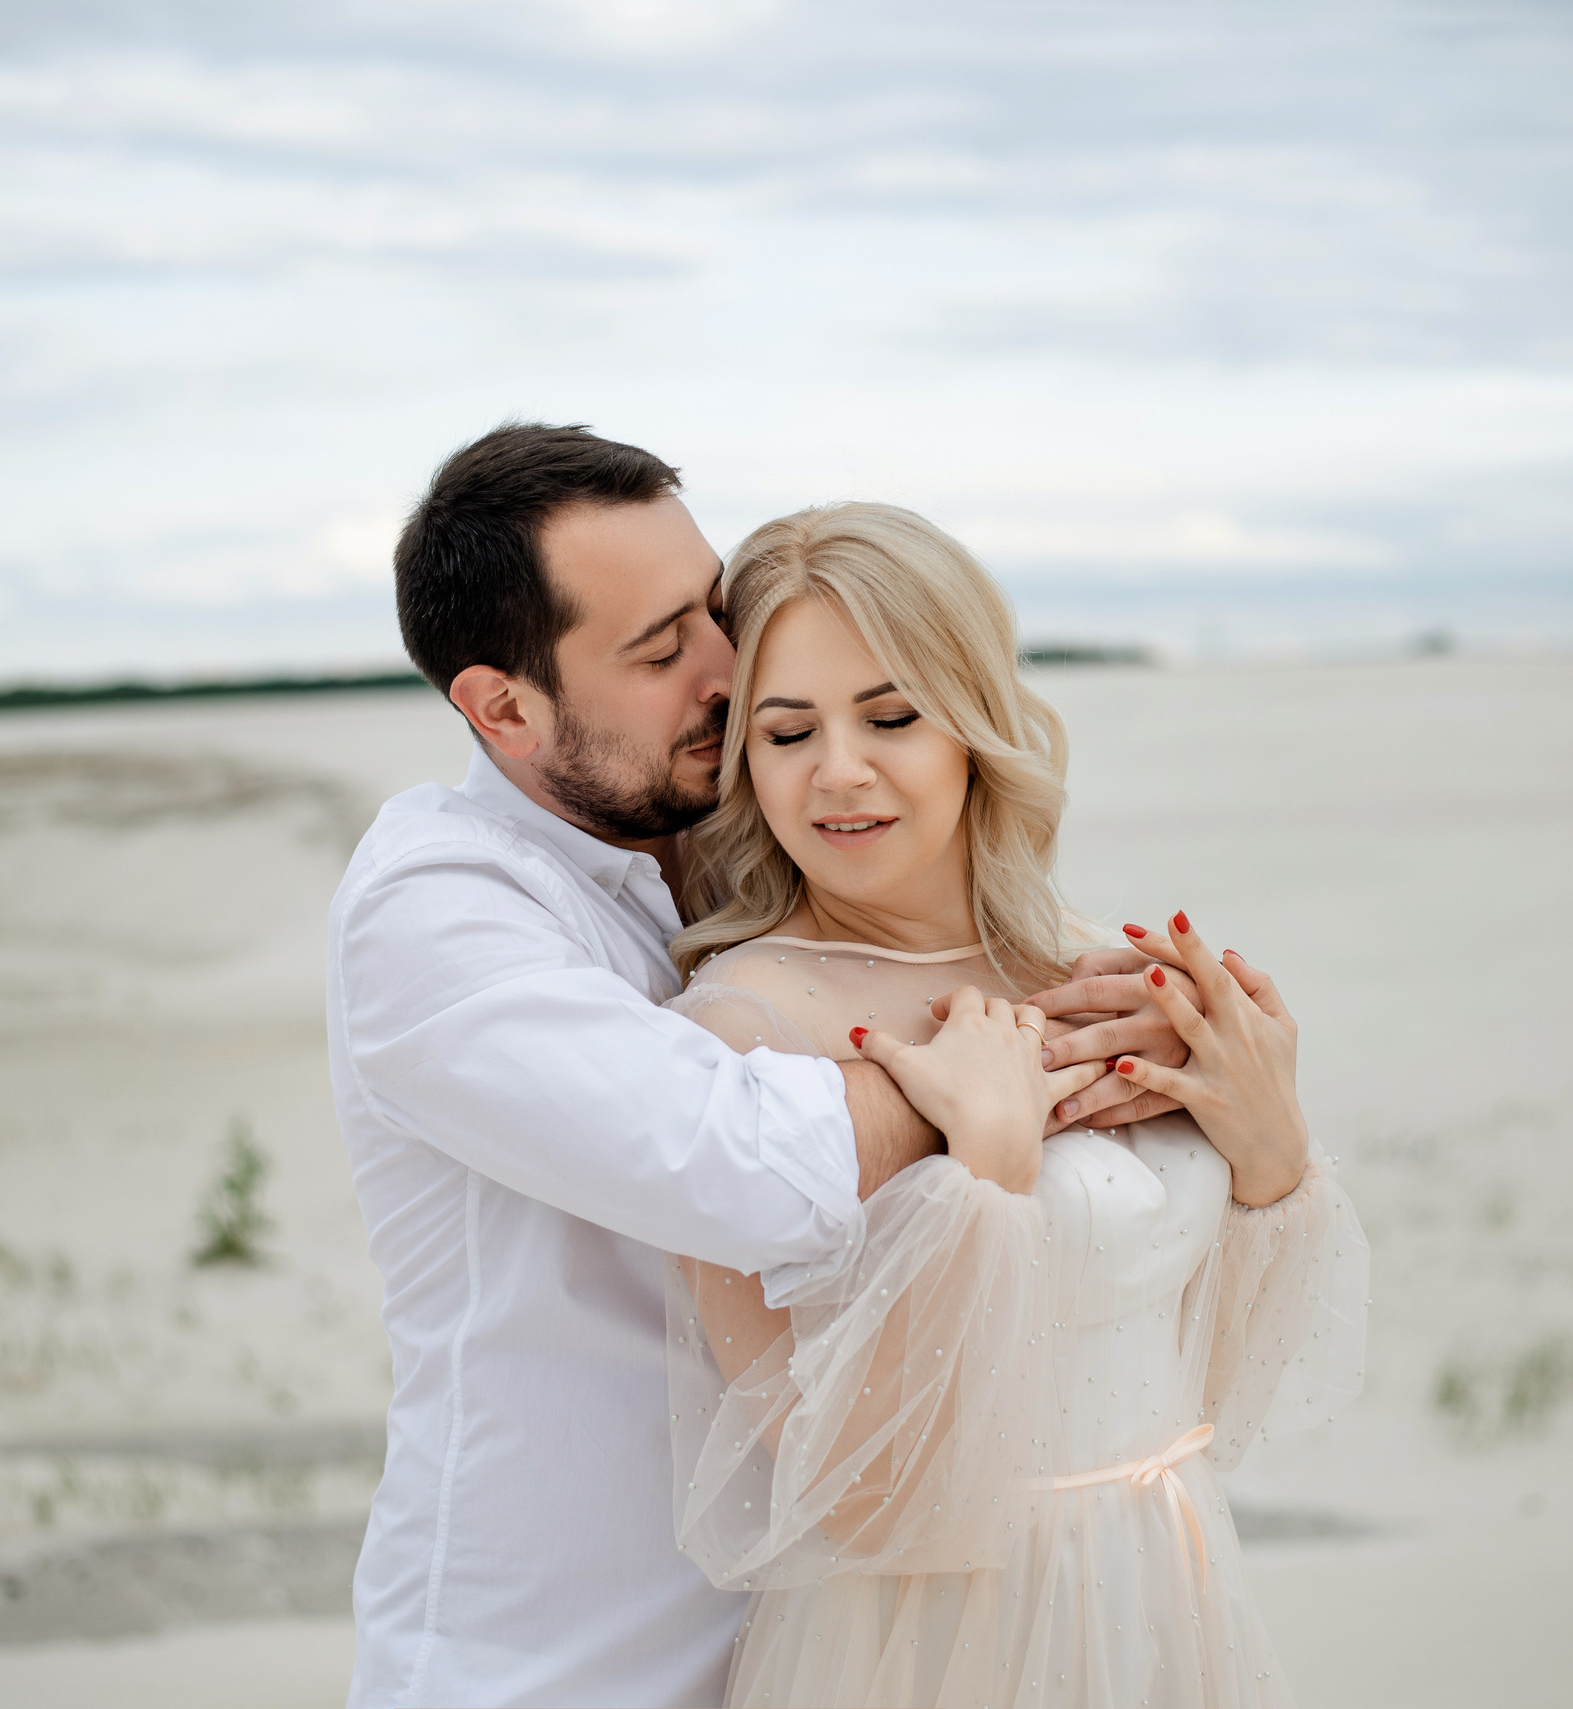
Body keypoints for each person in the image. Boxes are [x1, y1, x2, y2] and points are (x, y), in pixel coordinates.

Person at [329, 425, 1194, 1707]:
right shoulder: (435, 909)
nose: (727, 668)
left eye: (712, 606)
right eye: (659, 645)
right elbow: (739, 1156)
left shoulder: (723, 842)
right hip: (565, 1662)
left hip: (831, 1634)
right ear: (501, 706)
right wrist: (1030, 1046)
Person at [660, 503, 1369, 1706]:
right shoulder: (740, 1034)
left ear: (976, 724)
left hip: (1167, 1587)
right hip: (929, 1643)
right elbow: (853, 1493)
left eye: (890, 716)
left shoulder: (1090, 968)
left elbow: (1226, 1384)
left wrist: (1267, 1151)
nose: (839, 769)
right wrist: (982, 1168)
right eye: (787, 733)